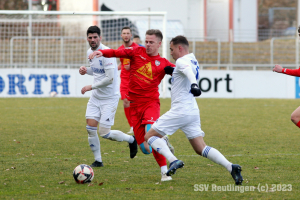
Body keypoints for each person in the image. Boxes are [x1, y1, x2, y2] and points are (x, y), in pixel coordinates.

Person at [144, 35, 243, 185]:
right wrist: (173, 70)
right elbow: (185, 71)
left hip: (180, 110)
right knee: (201, 148)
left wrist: (194, 85)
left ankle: (173, 160)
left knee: (149, 136)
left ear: (180, 48)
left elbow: (188, 73)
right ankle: (231, 167)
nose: (171, 53)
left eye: (171, 49)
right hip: (192, 111)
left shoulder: (182, 61)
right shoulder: (192, 59)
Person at [89, 29, 175, 181]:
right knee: (146, 149)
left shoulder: (163, 63)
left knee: (152, 136)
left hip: (151, 104)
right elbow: (117, 53)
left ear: (159, 44)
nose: (147, 45)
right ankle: (164, 140)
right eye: (146, 41)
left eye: (151, 42)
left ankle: (164, 173)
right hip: (135, 106)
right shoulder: (136, 51)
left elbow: (180, 73)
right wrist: (103, 53)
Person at [79, 25, 138, 168]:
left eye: (95, 37)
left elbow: (110, 78)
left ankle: (131, 140)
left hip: (109, 98)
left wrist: (90, 86)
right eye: (90, 37)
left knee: (104, 132)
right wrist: (86, 70)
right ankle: (98, 160)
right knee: (90, 128)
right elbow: (97, 71)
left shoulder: (107, 55)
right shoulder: (90, 52)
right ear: (87, 38)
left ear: (100, 37)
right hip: (96, 97)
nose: (92, 40)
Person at [117, 27, 140, 134]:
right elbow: (122, 63)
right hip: (124, 81)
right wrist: (114, 68)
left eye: (128, 33)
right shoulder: (120, 49)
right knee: (126, 103)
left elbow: (142, 63)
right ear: (121, 36)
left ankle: (139, 124)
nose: (126, 35)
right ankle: (132, 126)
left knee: (135, 103)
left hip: (135, 81)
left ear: (131, 35)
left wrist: (133, 65)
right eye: (124, 33)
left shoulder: (137, 48)